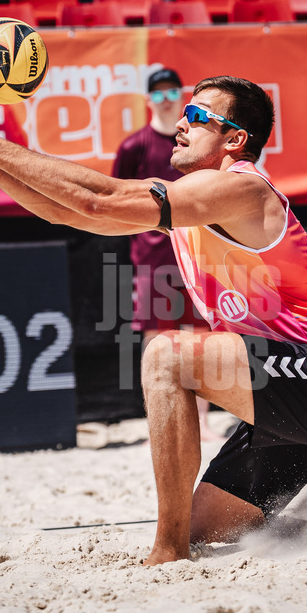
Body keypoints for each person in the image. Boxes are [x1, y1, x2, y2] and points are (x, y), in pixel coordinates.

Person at [0, 75, 307, 566]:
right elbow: (73, 215)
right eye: (185, 112)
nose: (182, 122)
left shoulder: (241, 189)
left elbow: (99, 199)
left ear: (235, 139)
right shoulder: (192, 199)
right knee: (208, 527)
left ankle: (166, 553)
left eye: (199, 116)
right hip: (292, 398)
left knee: (165, 357)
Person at [112, 67, 219, 441]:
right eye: (157, 93)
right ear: (147, 100)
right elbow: (117, 201)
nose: (165, 98)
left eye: (171, 91)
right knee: (159, 342)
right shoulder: (133, 147)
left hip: (198, 253)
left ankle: (203, 423)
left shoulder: (197, 145)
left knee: (203, 337)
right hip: (154, 261)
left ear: (182, 95)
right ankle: (162, 422)